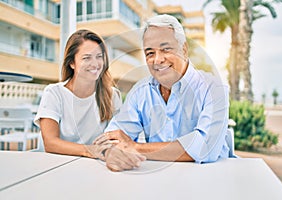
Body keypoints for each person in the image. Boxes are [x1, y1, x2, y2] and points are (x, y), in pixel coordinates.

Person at [94, 14, 230, 171]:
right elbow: (111, 136)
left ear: (184, 50)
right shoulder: (140, 91)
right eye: (150, 53)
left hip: (210, 178)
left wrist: (135, 147)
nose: (157, 60)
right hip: (155, 179)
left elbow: (205, 147)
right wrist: (112, 152)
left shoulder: (214, 88)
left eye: (166, 49)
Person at [34, 29, 123, 159]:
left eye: (99, 56)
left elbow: (118, 137)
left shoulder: (112, 95)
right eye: (87, 58)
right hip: (54, 165)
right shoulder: (54, 93)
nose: (95, 64)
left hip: (92, 166)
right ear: (71, 63)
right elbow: (50, 143)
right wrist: (90, 151)